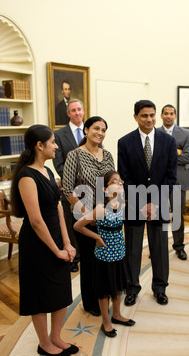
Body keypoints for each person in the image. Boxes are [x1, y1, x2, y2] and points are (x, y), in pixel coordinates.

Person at [10, 124, 78, 356]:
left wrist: (67, 244)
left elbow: (58, 208)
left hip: (57, 238)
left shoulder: (48, 172)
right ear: (40, 146)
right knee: (39, 295)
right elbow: (36, 221)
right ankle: (44, 343)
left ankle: (56, 336)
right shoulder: (26, 176)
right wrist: (56, 250)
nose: (57, 146)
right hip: (37, 245)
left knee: (61, 290)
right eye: (52, 142)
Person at [118, 100, 177, 307]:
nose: (149, 119)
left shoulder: (169, 142)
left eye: (152, 115)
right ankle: (132, 288)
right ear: (136, 117)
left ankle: (160, 288)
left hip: (159, 205)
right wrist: (143, 202)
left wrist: (157, 204)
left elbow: (171, 177)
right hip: (135, 204)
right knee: (133, 250)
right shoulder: (124, 142)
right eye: (144, 115)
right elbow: (125, 177)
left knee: (160, 249)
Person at [62, 116, 115, 316]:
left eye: (103, 129)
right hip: (84, 217)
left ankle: (104, 297)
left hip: (106, 215)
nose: (100, 133)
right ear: (86, 130)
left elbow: (113, 184)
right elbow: (67, 189)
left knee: (105, 260)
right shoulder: (74, 155)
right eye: (96, 128)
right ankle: (91, 303)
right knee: (91, 261)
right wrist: (87, 214)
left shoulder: (108, 155)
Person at [74, 170, 135, 337]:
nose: (120, 183)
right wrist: (96, 237)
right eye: (115, 181)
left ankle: (117, 314)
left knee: (117, 286)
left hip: (119, 253)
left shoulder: (122, 205)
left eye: (121, 181)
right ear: (104, 189)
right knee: (105, 290)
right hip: (105, 255)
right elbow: (78, 226)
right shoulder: (100, 209)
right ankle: (106, 321)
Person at [158, 104, 189, 260]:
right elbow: (153, 156)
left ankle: (179, 247)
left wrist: (166, 156)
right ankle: (158, 248)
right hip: (159, 180)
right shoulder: (155, 132)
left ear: (175, 116)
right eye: (166, 113)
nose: (168, 116)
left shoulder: (185, 134)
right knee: (159, 215)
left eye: (171, 113)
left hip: (179, 179)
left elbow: (188, 156)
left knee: (178, 216)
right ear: (161, 116)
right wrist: (176, 153)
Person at [54, 99, 85, 272]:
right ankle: (75, 258)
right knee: (71, 224)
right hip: (70, 189)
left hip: (90, 190)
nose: (77, 113)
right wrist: (78, 180)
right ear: (68, 113)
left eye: (79, 109)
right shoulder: (59, 134)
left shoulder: (90, 131)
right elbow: (59, 165)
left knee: (87, 221)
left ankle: (87, 254)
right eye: (73, 110)